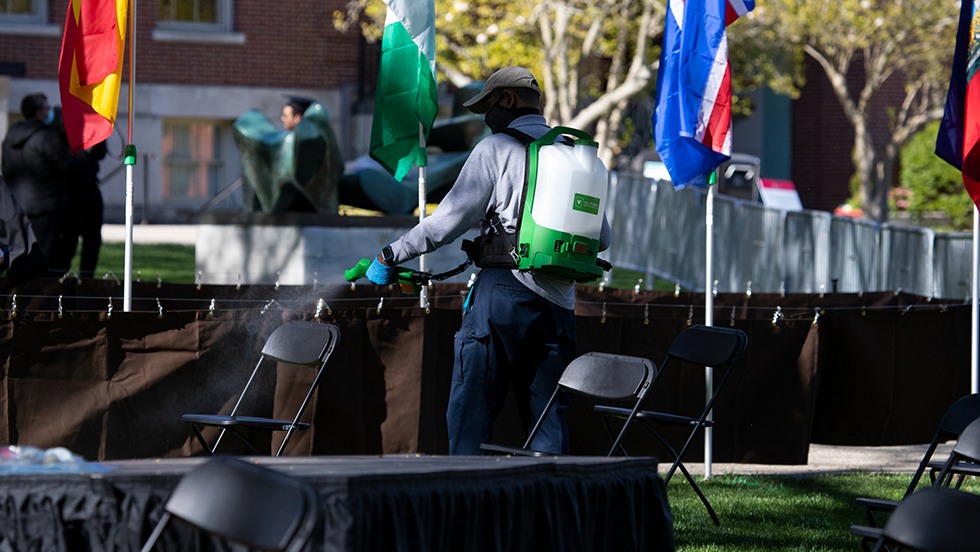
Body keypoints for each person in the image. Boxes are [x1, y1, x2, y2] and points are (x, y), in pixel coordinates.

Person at [358, 66, 612, 455]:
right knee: (546, 418)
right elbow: (603, 238)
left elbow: (447, 222)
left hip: (503, 297)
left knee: (471, 411)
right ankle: (547, 507)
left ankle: (466, 501)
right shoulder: (576, 155)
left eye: (487, 106)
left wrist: (391, 254)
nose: (484, 117)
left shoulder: (496, 149)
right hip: (559, 303)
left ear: (507, 100)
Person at [1, 93, 75, 274]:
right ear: (39, 113)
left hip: (16, 207)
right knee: (45, 259)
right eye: (47, 108)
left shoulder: (10, 136)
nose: (50, 112)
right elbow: (67, 165)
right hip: (45, 209)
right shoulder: (45, 137)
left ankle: (17, 297)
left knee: (20, 257)